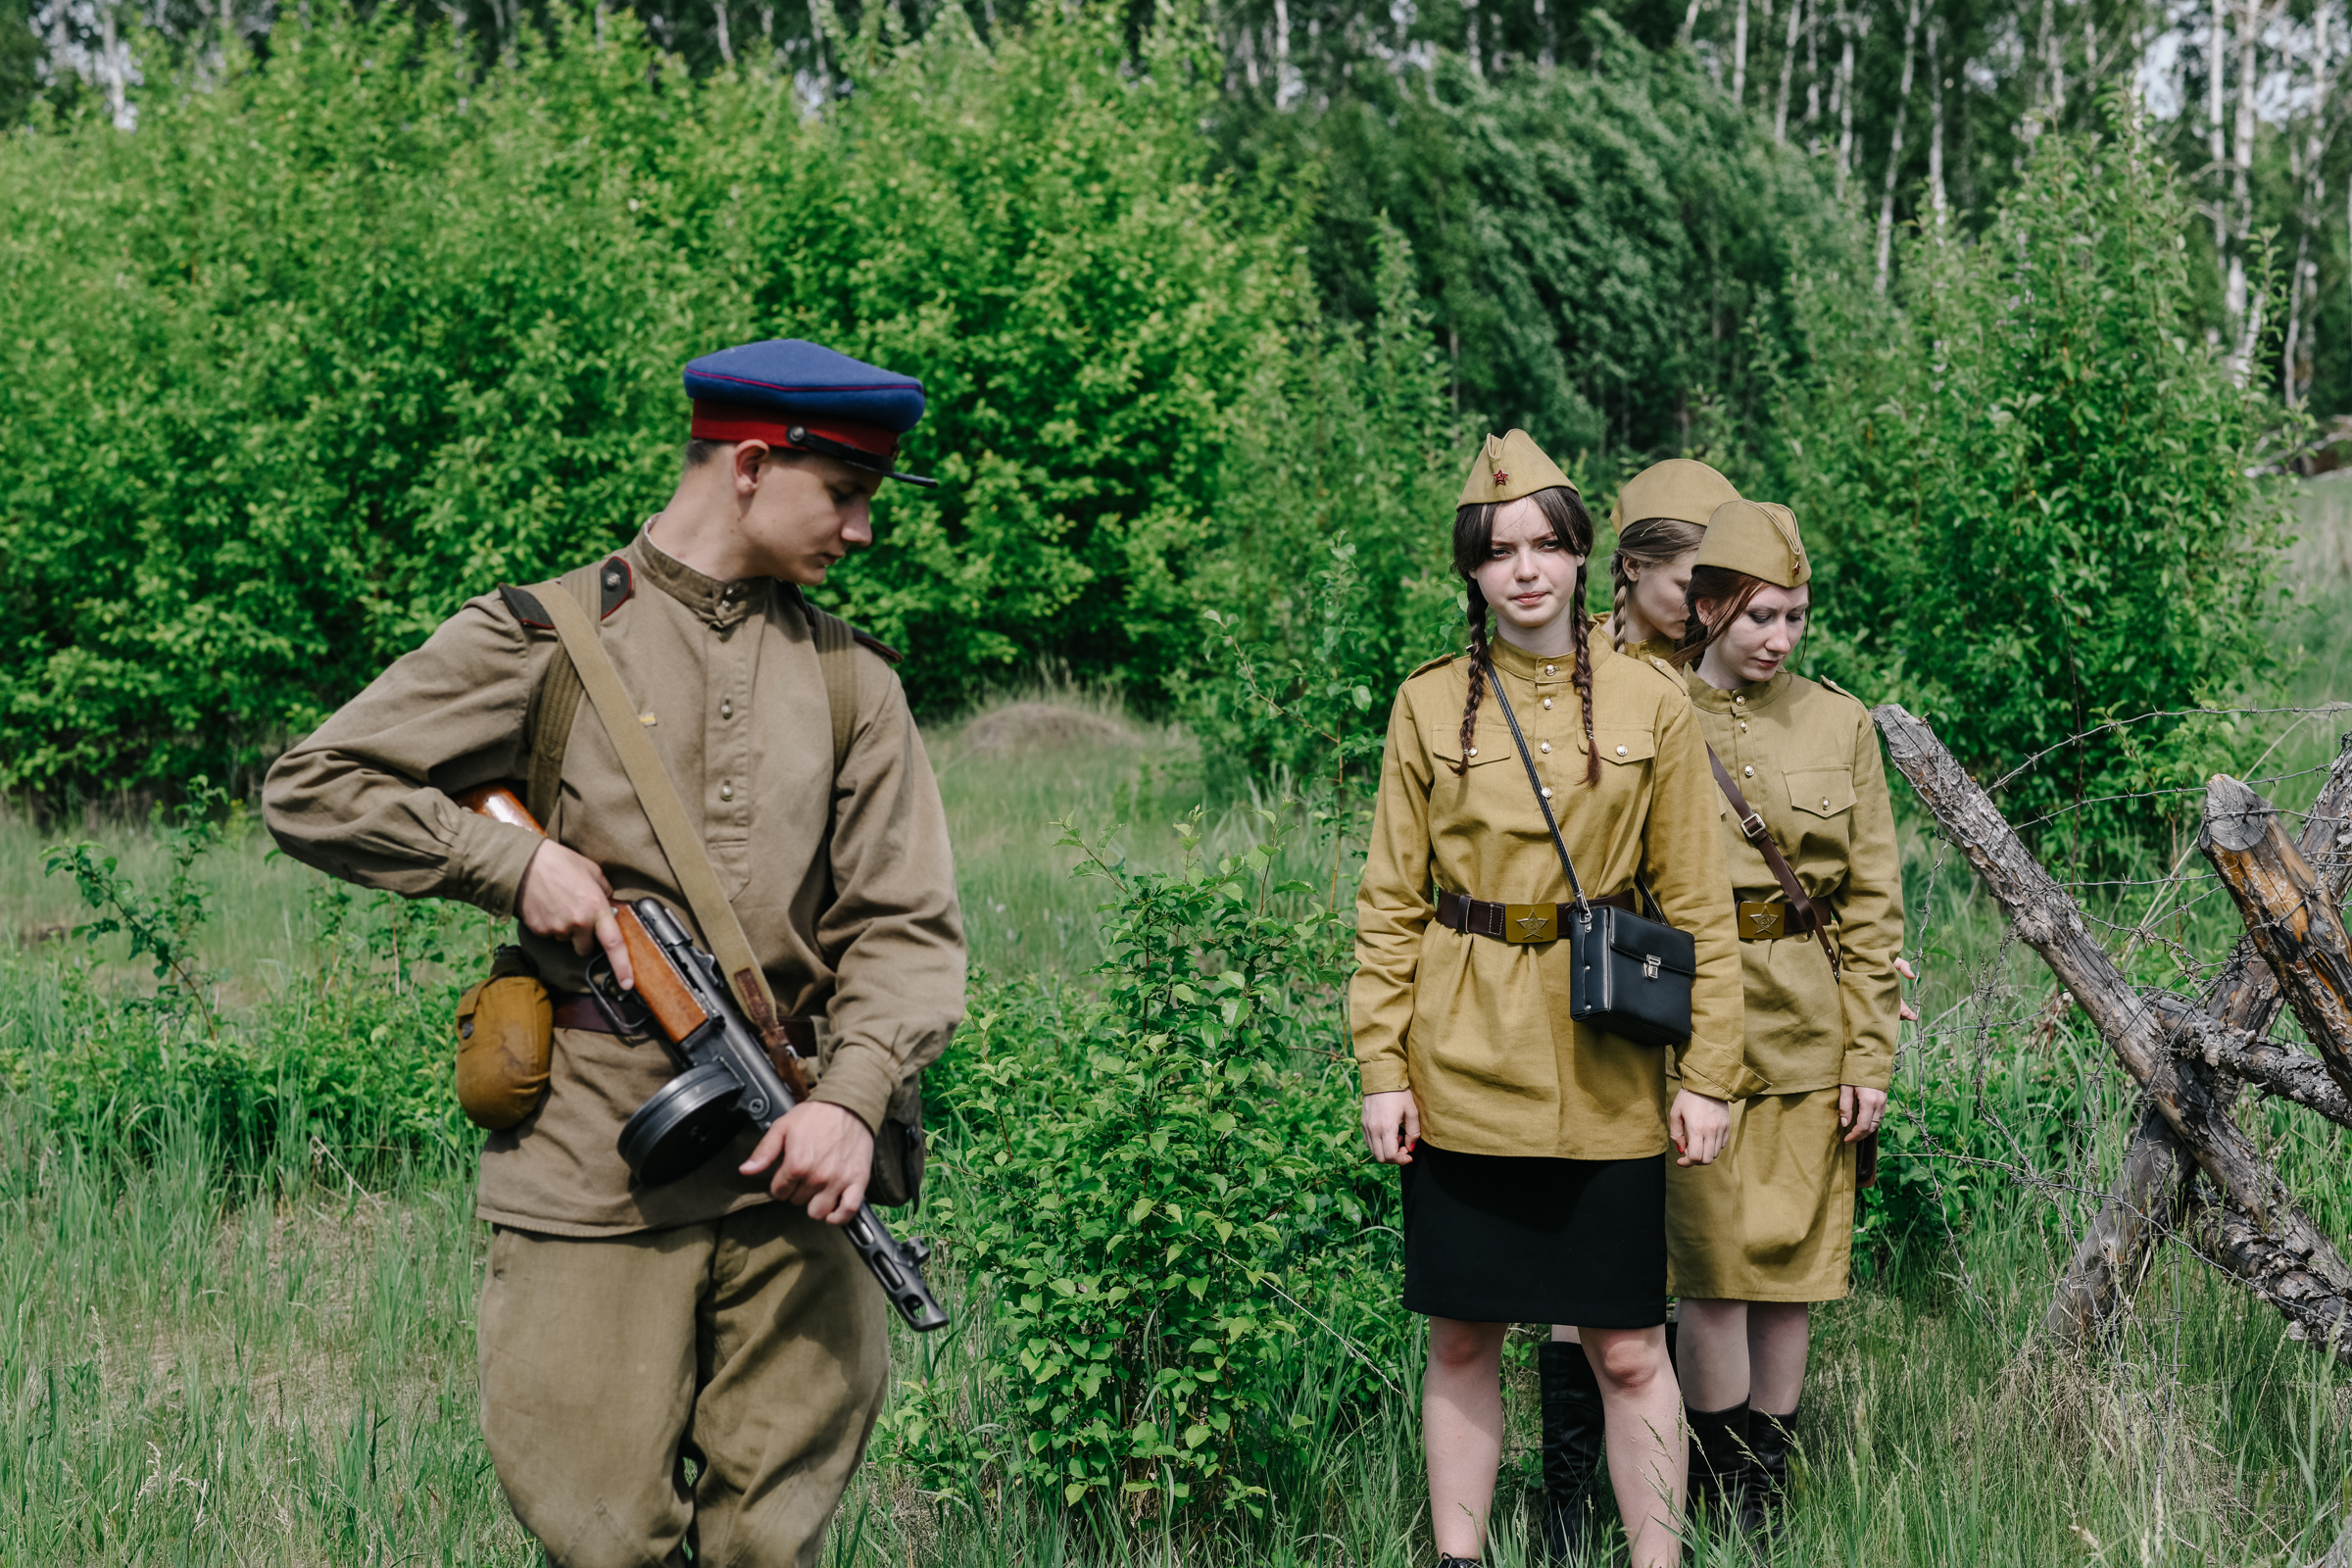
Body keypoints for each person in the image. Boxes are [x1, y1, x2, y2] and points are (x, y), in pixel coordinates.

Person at [263, 338, 967, 1567]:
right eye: (846, 496)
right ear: (751, 465)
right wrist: (511, 862)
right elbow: (312, 785)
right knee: (600, 1535)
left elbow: (907, 927)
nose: (861, 532)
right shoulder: (542, 637)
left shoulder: (856, 682)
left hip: (797, 1167)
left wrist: (853, 1106)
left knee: (772, 1541)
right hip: (588, 1163)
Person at [1351, 429, 1747, 1568]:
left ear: (1584, 558)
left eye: (1546, 546)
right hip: (1462, 1058)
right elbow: (1389, 902)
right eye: (1498, 551)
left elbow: (1697, 906)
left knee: (1629, 1350)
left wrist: (1708, 1073)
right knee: (1465, 1338)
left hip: (1605, 1068)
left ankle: (1655, 1558)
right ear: (1473, 573)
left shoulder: (1652, 703)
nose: (1525, 569)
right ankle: (1460, 1557)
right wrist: (1384, 1066)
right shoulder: (1429, 705)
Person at [1660, 499, 1904, 1535]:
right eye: (1760, 616)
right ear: (1707, 606)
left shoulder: (1841, 722)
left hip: (1809, 1018)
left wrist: (1871, 1054)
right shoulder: (1655, 708)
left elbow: (1874, 902)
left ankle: (1766, 1484)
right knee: (1712, 1271)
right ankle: (1715, 1488)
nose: (1780, 639)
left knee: (1790, 1272)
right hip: (1691, 1028)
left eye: (1797, 617)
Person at [1535, 457, 1747, 1550]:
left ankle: (1702, 1504)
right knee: (1594, 1266)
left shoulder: (1735, 675)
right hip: (1609, 990)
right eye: (1687, 583)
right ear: (1629, 572)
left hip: (1709, 995)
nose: (1704, 605)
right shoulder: (1585, 675)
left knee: (1711, 1258)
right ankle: (1569, 1508)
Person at [1602, 459, 1743, 663]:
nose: (1703, 610)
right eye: (1686, 588)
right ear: (1633, 565)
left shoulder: (1718, 666)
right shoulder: (1575, 658)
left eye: (1716, 593)